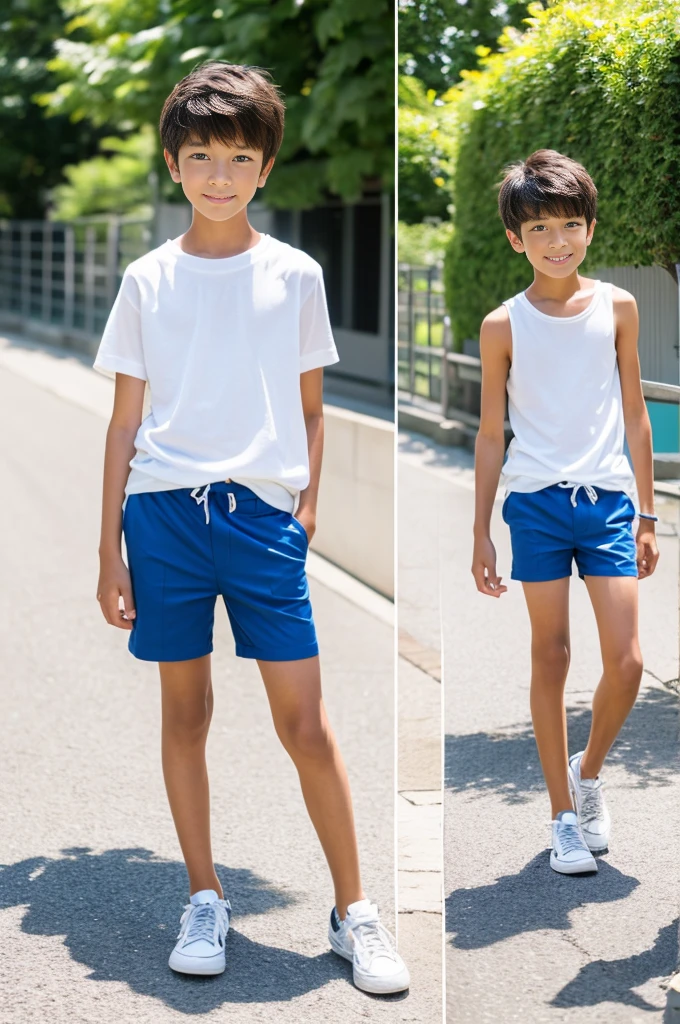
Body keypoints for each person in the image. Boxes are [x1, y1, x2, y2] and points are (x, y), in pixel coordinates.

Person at [93, 60, 408, 995]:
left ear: (265, 166)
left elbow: (312, 404)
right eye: (201, 157)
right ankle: (204, 894)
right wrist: (106, 545)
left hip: (261, 516)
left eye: (238, 157)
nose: (220, 176)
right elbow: (122, 421)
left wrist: (306, 505)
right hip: (161, 517)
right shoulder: (147, 279)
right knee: (185, 712)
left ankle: (355, 910)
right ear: (173, 162)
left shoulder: (296, 274)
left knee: (305, 723)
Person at [472, 149, 659, 875]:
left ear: (590, 228)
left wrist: (646, 511)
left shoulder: (618, 306)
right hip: (537, 506)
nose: (558, 240)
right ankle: (560, 817)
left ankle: (588, 772)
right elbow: (492, 434)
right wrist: (480, 531)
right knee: (551, 655)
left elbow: (637, 415)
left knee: (628, 660)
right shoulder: (502, 325)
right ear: (517, 238)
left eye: (571, 224)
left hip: (609, 501)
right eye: (541, 227)